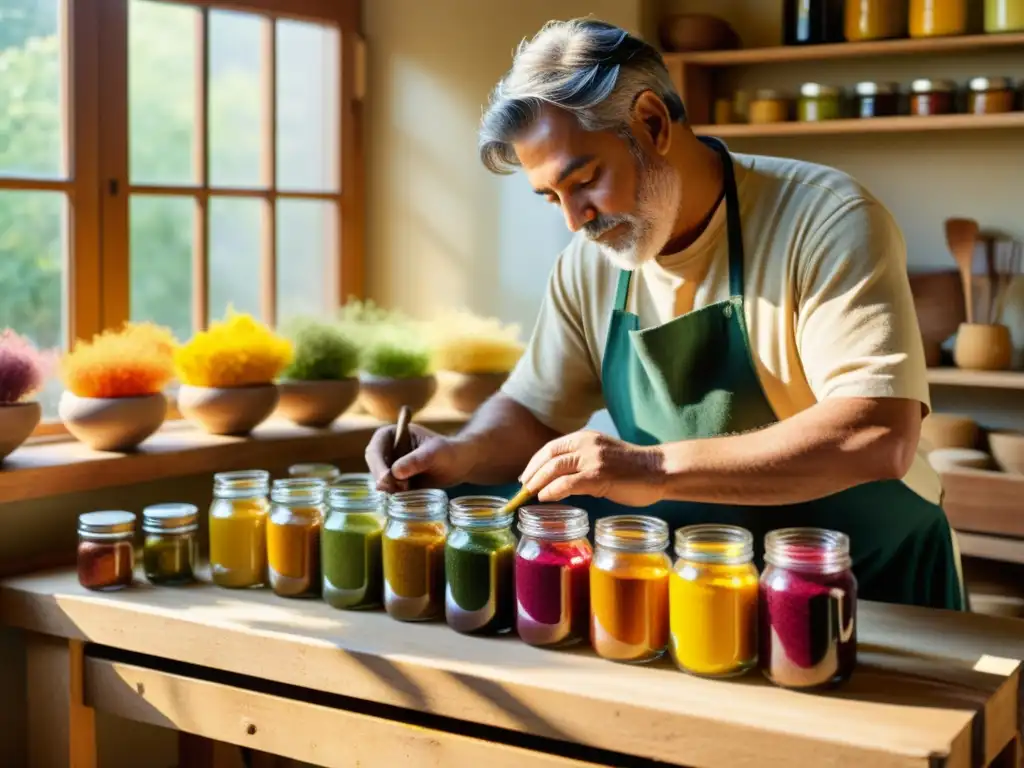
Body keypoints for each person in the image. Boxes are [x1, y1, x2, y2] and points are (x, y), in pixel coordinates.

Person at [365, 18, 964, 610]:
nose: (575, 219)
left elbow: (875, 434)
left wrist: (650, 466)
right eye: (552, 197)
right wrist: (462, 452)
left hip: (863, 577)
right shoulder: (588, 263)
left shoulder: (826, 217)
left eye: (586, 179)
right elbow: (533, 411)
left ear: (651, 123)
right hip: (701, 576)